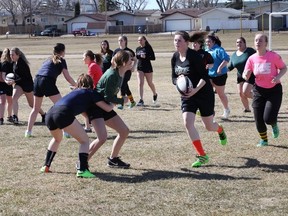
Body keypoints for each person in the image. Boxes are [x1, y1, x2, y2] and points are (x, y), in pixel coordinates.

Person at [40, 74, 114, 178]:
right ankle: (82, 170)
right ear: (91, 84)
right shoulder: (90, 92)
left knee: (57, 139)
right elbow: (107, 108)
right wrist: (116, 101)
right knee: (84, 141)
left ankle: (46, 166)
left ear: (79, 84)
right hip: (63, 114)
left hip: (50, 114)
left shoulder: (74, 92)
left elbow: (83, 112)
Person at [172, 31, 227, 168]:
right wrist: (178, 82)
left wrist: (195, 90)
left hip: (203, 93)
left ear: (186, 42)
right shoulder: (175, 57)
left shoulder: (195, 56)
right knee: (187, 122)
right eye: (175, 40)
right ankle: (202, 155)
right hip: (187, 96)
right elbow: (173, 77)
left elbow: (205, 77)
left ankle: (219, 129)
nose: (176, 43)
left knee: (209, 126)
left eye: (179, 41)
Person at [87, 50, 132, 169]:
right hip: (97, 107)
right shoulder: (112, 75)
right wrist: (122, 100)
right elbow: (107, 96)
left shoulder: (119, 72)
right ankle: (82, 161)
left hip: (104, 106)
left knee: (124, 131)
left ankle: (113, 159)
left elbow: (108, 96)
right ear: (123, 63)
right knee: (102, 138)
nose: (132, 61)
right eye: (130, 60)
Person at [243, 33, 287, 147]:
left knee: (268, 118)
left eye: (260, 40)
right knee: (258, 117)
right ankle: (264, 140)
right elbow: (245, 73)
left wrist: (277, 77)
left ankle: (274, 124)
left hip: (274, 90)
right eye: (256, 40)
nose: (258, 42)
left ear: (266, 43)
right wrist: (246, 75)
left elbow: (283, 68)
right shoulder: (251, 58)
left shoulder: (273, 56)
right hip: (258, 90)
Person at [25, 43, 76, 137]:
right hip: (47, 81)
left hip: (37, 80)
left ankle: (28, 132)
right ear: (62, 51)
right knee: (62, 107)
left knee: (36, 108)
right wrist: (77, 86)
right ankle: (66, 132)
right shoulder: (61, 60)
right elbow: (68, 78)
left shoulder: (47, 59)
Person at [9, 47, 46, 125]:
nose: (11, 56)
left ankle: (44, 115)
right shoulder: (14, 62)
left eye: (13, 55)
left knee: (32, 104)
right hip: (19, 84)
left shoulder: (22, 64)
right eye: (10, 55)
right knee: (14, 98)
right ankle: (15, 117)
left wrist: (14, 81)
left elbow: (24, 77)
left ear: (18, 55)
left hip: (27, 86)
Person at [205, 35, 230, 119]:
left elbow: (226, 59)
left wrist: (220, 67)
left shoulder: (219, 50)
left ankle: (226, 110)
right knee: (207, 93)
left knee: (220, 94)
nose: (207, 43)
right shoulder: (206, 50)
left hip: (220, 75)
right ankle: (210, 111)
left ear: (213, 42)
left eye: (209, 41)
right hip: (209, 75)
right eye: (206, 42)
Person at [228, 37, 256, 113]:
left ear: (244, 43)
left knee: (246, 92)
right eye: (237, 42)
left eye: (240, 42)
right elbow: (230, 66)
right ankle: (247, 109)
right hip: (240, 76)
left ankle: (260, 98)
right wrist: (221, 71)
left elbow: (258, 57)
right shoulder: (234, 54)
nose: (239, 44)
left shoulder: (249, 51)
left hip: (250, 75)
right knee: (241, 93)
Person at [113, 35, 137, 109]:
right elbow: (113, 60)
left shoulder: (129, 51)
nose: (120, 42)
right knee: (125, 86)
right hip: (119, 71)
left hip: (127, 71)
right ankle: (132, 102)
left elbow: (135, 59)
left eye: (121, 40)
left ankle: (121, 103)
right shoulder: (116, 51)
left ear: (125, 41)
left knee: (123, 84)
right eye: (119, 40)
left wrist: (133, 67)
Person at [82, 50, 103, 132]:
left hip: (96, 92)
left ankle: (88, 127)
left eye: (83, 57)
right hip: (95, 90)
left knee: (83, 107)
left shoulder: (92, 66)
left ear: (88, 57)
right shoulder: (92, 65)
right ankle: (88, 126)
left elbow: (88, 82)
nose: (82, 59)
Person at [135, 36, 158, 106]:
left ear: (145, 40)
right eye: (138, 40)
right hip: (140, 68)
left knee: (150, 83)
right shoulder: (137, 48)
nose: (140, 41)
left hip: (147, 68)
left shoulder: (148, 47)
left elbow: (153, 58)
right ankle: (141, 100)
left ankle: (155, 94)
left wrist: (146, 57)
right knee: (140, 83)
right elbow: (136, 57)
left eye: (141, 40)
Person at [1, 48, 14, 124]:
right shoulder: (6, 63)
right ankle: (4, 117)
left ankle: (9, 116)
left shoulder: (9, 63)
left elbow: (4, 75)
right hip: (5, 84)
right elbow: (3, 75)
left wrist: (10, 81)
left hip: (7, 84)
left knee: (9, 101)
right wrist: (7, 81)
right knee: (6, 101)